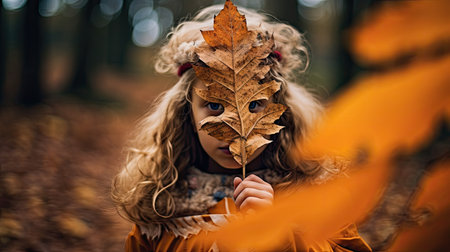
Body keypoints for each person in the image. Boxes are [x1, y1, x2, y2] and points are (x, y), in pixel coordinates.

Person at [112, 1, 372, 251]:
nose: (235, 129)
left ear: (279, 109)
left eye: (255, 105)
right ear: (186, 110)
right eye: (214, 106)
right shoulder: (162, 204)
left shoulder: (311, 193)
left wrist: (280, 236)